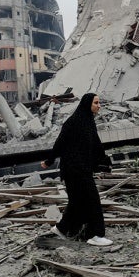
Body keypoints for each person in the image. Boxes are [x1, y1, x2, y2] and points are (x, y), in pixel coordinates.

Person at [41, 93, 113, 246]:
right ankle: (95, 234)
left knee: (77, 202)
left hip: (82, 168)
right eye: (96, 103)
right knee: (92, 200)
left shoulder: (88, 121)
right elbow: (60, 142)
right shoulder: (74, 122)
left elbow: (95, 145)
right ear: (88, 104)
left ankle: (62, 230)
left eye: (99, 103)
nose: (99, 106)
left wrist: (104, 163)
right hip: (73, 170)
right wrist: (49, 161)